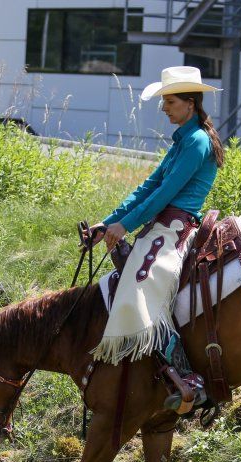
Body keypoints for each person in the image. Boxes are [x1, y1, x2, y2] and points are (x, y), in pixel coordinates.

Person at [89, 66, 225, 414]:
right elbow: (148, 186)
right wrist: (110, 222)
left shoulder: (196, 142)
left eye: (170, 101)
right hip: (161, 224)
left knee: (139, 287)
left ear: (190, 104)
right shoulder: (184, 139)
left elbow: (167, 192)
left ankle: (187, 378)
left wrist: (127, 225)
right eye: (165, 101)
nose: (164, 108)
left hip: (175, 227)